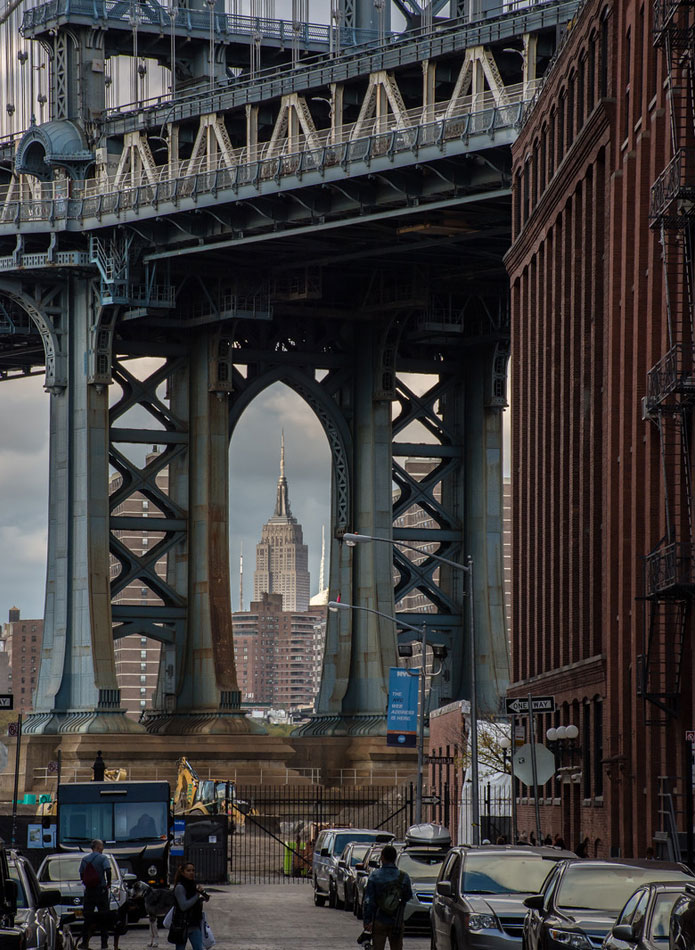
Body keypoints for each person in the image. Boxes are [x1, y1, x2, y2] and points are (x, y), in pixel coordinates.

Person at [363, 844, 413, 950]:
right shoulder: (404, 877)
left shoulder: (375, 876)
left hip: (379, 919)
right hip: (397, 921)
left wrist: (367, 921)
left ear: (382, 857)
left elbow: (369, 901)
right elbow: (408, 896)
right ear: (395, 858)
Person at [79, 839, 112, 950]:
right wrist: (108, 883)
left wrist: (86, 884)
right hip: (101, 891)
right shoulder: (103, 858)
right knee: (104, 917)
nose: (103, 849)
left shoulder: (84, 859)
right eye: (102, 847)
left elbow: (81, 874)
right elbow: (108, 870)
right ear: (98, 847)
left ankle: (84, 942)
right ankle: (104, 943)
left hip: (89, 892)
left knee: (87, 917)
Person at [171, 862, 210, 950]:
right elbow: (184, 905)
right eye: (188, 870)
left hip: (194, 924)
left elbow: (199, 901)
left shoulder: (193, 886)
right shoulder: (180, 887)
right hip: (182, 926)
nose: (191, 873)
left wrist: (202, 895)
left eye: (193, 870)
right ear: (182, 872)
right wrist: (197, 896)